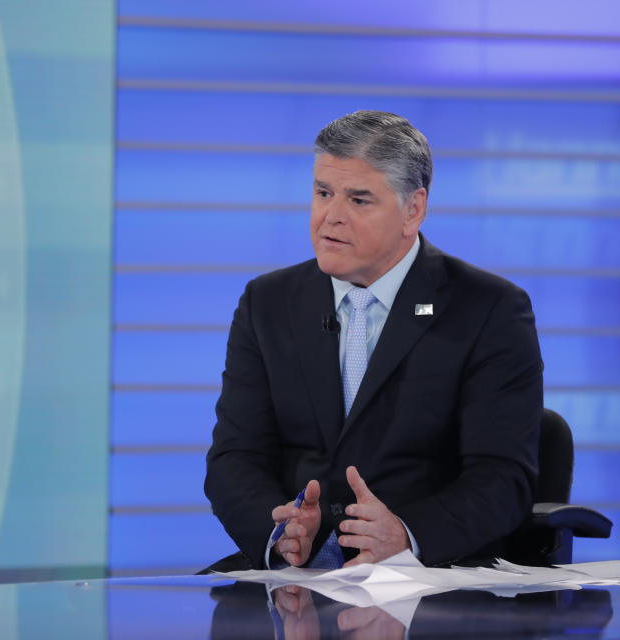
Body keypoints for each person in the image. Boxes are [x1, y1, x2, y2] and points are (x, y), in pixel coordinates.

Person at [205, 110, 543, 569]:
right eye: (323, 193)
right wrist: (279, 532)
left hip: (427, 575)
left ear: (413, 210)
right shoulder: (268, 302)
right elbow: (235, 457)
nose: (332, 217)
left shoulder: (488, 309)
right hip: (293, 573)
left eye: (359, 200)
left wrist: (406, 535)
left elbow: (503, 478)